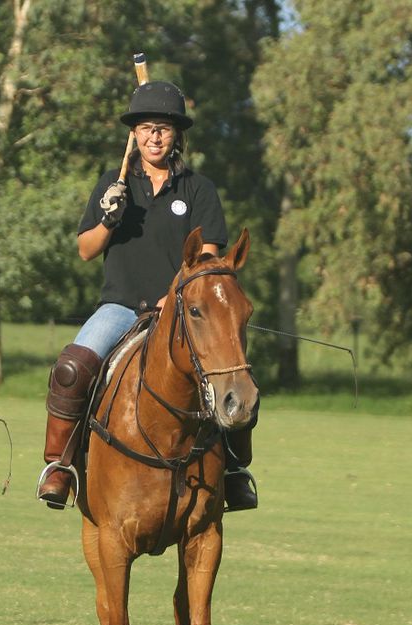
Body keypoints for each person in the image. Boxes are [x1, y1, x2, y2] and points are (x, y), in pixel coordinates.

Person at [37, 80, 259, 512]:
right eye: (146, 127)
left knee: (232, 372)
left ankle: (233, 471)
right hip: (119, 307)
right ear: (133, 135)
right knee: (71, 367)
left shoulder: (198, 189)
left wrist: (172, 296)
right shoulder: (113, 183)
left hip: (182, 311)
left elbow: (207, 261)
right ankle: (59, 467)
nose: (154, 136)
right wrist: (108, 217)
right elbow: (86, 250)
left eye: (163, 128)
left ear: (177, 135)